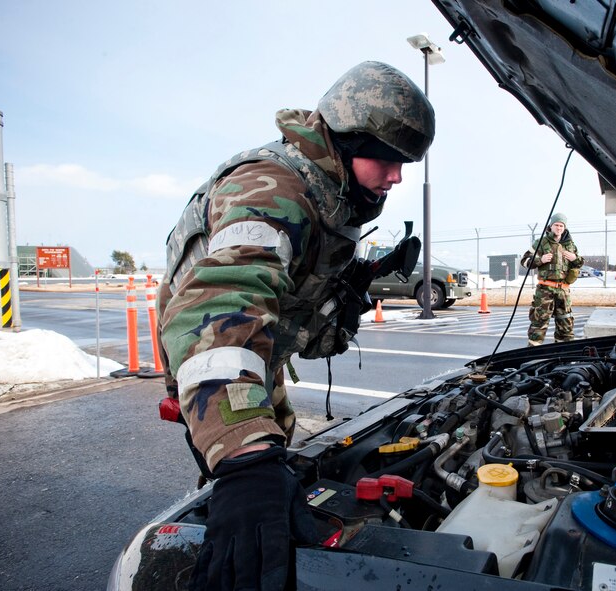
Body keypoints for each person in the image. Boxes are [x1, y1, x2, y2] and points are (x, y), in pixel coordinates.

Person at [157, 61, 435, 590]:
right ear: (348, 140)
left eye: (406, 163)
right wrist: (243, 459)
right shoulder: (272, 190)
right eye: (388, 159)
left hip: (259, 351)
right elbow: (219, 306)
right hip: (216, 355)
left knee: (280, 463)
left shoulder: (332, 187)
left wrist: (365, 273)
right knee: (253, 488)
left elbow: (302, 275)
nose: (397, 176)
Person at [521, 213, 584, 345]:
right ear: (551, 226)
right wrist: (540, 260)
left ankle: (563, 356)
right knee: (539, 323)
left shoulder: (570, 245)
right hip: (545, 291)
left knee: (566, 325)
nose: (559, 228)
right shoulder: (541, 243)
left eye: (561, 225)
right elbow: (524, 261)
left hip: (564, 292)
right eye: (556, 225)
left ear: (565, 228)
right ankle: (532, 356)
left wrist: (575, 259)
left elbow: (579, 263)